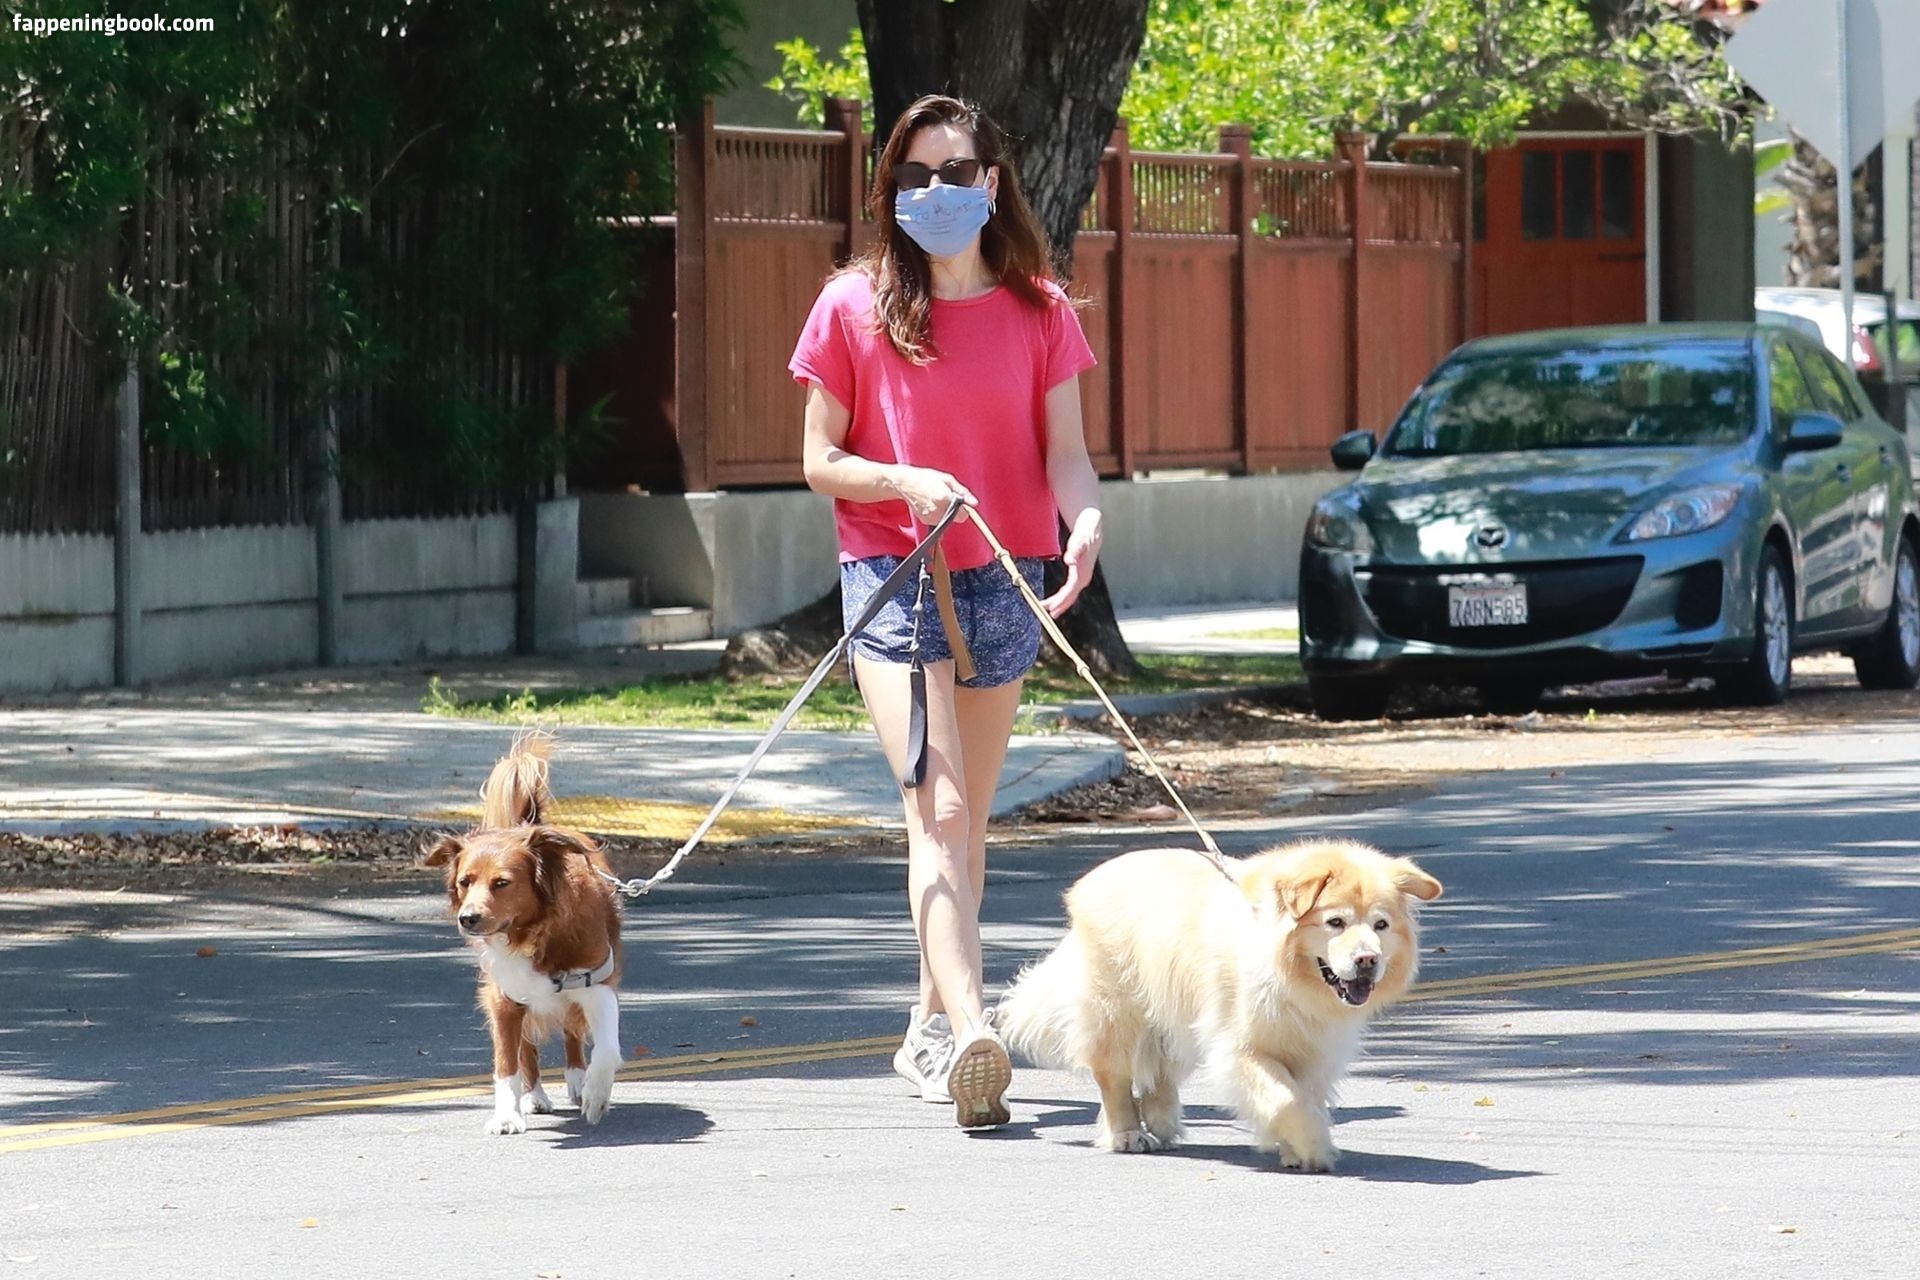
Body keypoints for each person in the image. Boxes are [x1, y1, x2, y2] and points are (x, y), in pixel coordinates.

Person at [789, 94, 1103, 1129]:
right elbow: (819, 460)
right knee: (942, 808)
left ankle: (929, 1022)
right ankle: (973, 1027)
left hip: (1005, 574)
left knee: (969, 824)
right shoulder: (852, 305)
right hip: (894, 572)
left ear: (991, 183)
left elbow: (1066, 453)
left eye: (956, 172)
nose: (935, 191)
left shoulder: (1041, 310)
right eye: (913, 176)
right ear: (890, 192)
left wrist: (1085, 521)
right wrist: (903, 480)